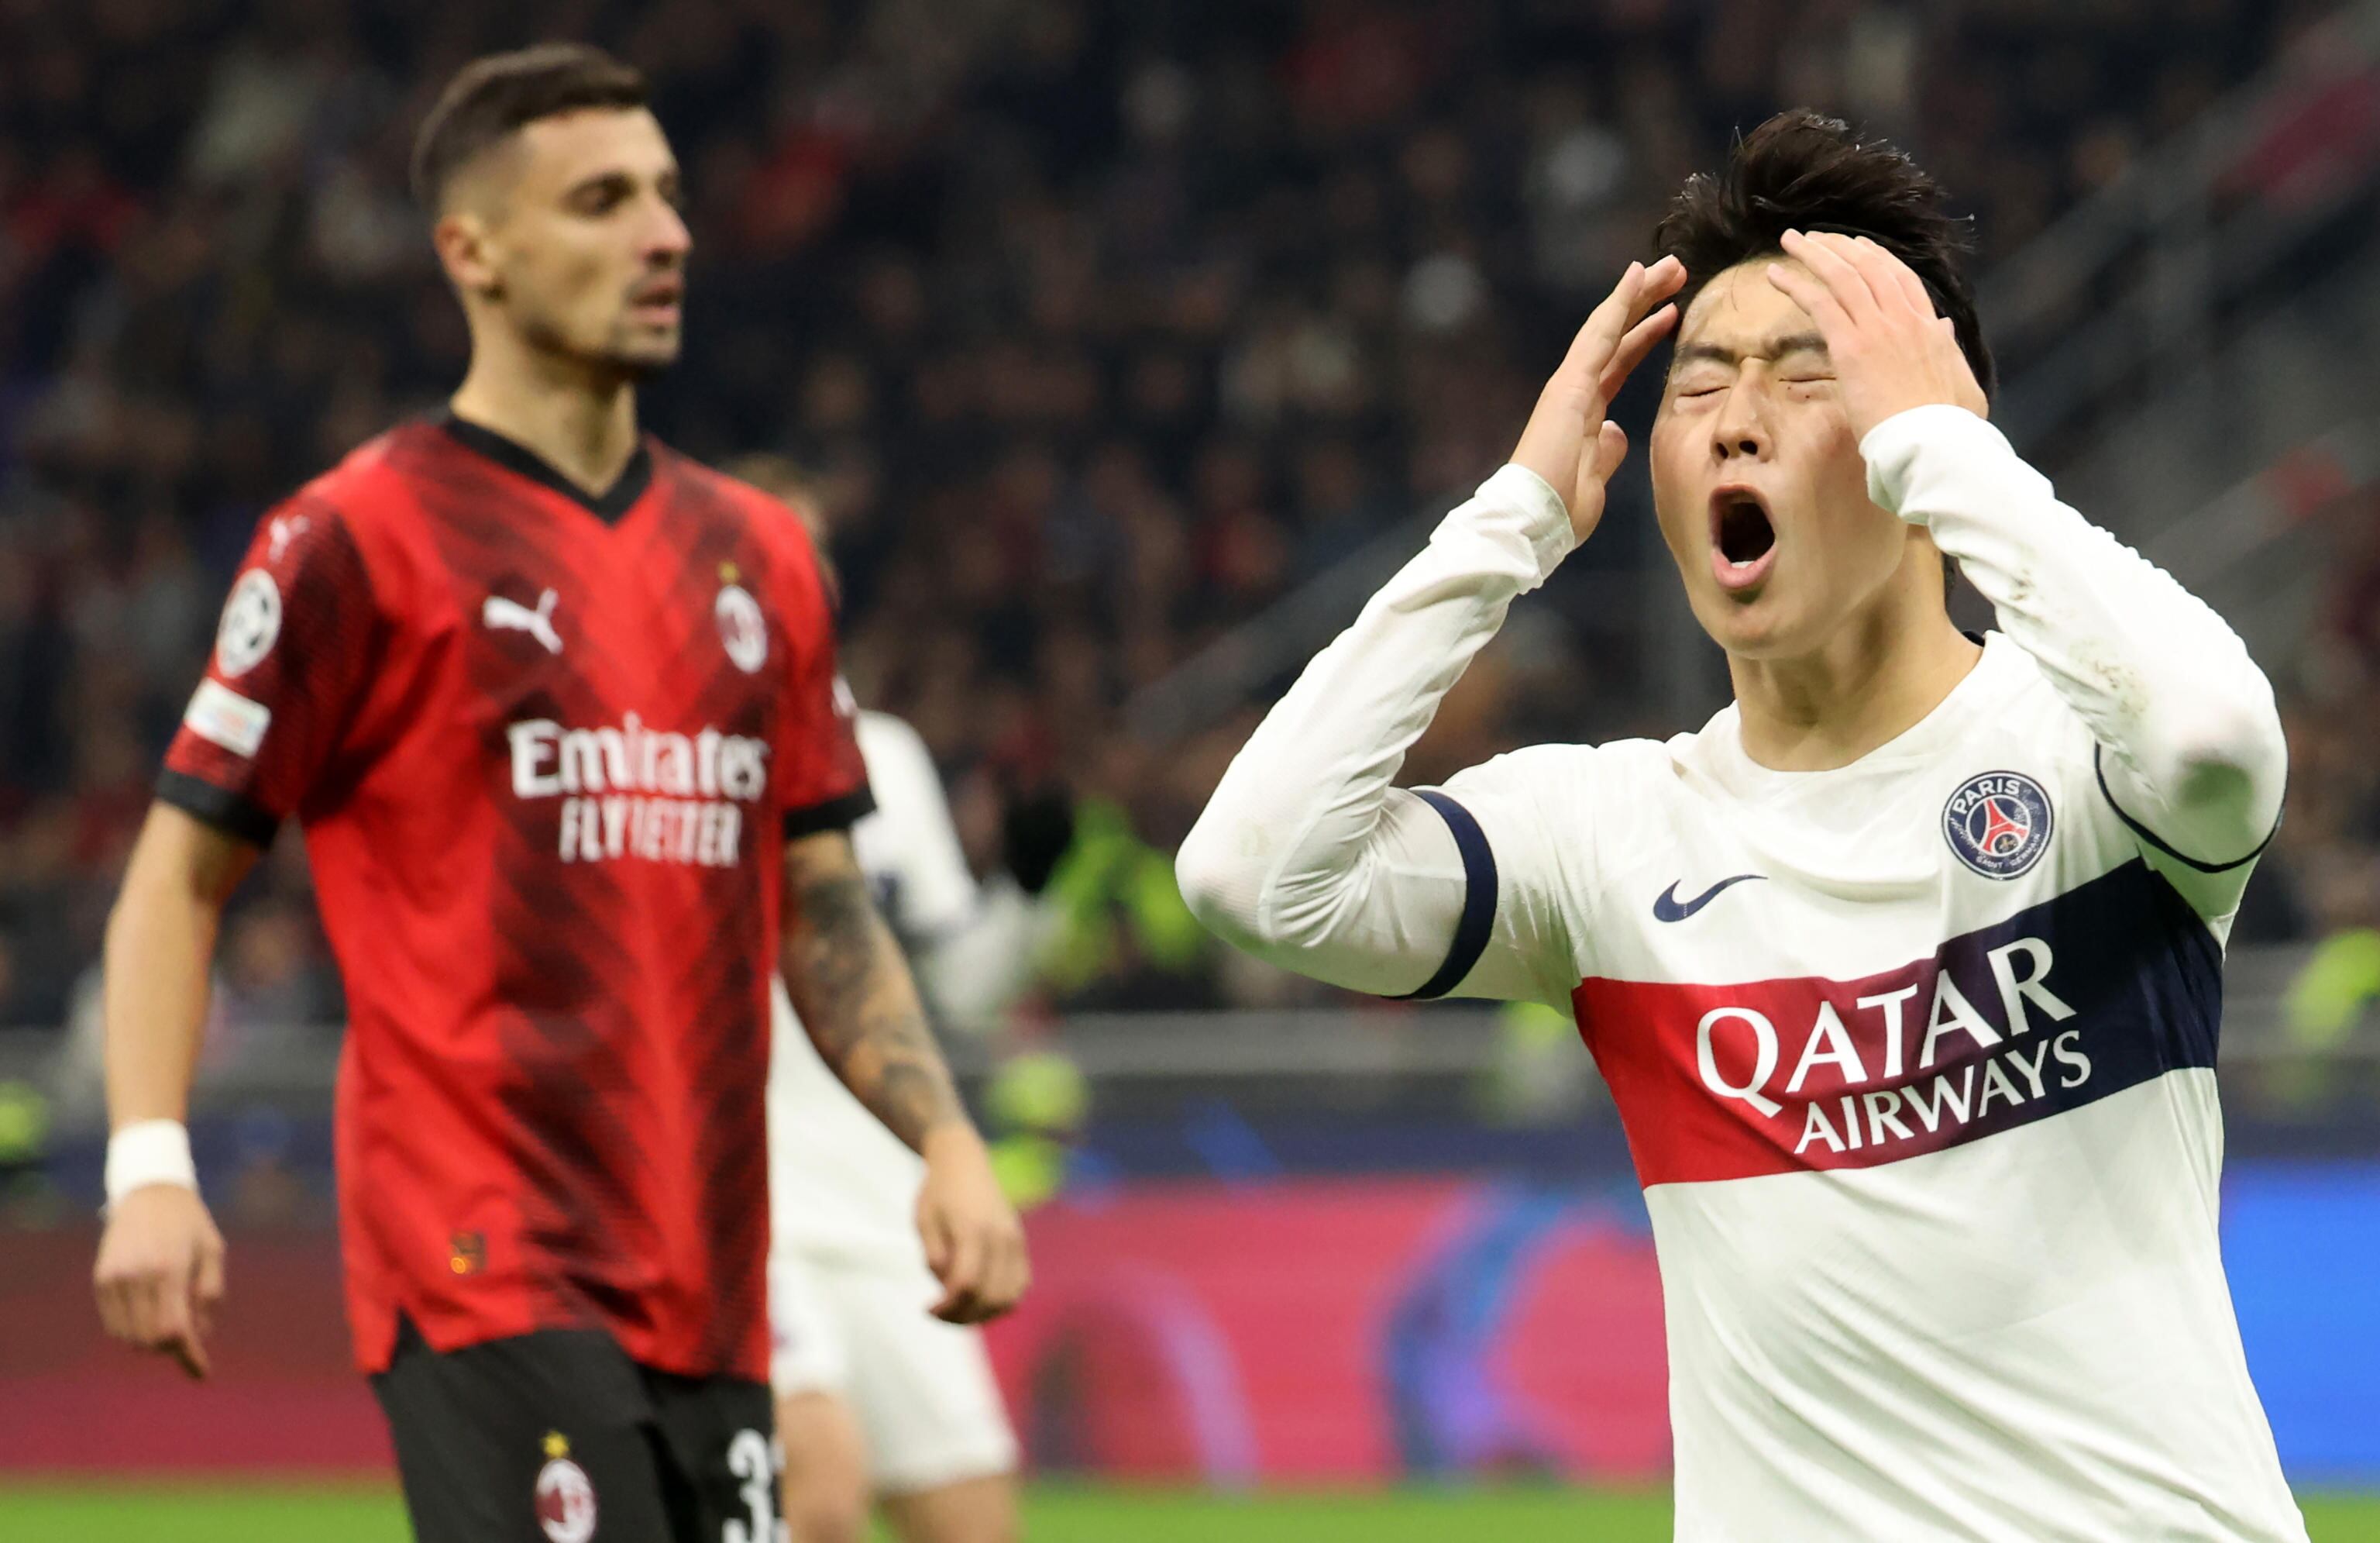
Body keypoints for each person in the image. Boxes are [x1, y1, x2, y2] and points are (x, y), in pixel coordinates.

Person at [1175, 110, 2305, 1541]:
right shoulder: (1607, 838)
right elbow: (1251, 874)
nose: (1735, 418)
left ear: (1913, 441)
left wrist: (1956, 457)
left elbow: (2216, 739)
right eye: (1698, 385)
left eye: (1803, 375)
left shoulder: (2089, 765)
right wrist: (1509, 520)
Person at [89, 43, 1027, 1543]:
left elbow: (824, 907)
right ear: (473, 250)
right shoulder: (356, 539)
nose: (666, 233)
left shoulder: (762, 562)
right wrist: (149, 1167)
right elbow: (176, 874)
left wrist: (950, 1144)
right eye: (602, 201)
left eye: (664, 194)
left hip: (715, 1276)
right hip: (484, 1259)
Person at [732, 456, 1027, 1543]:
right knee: (818, 1496)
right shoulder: (668, 747)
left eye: (808, 554)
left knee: (975, 1524)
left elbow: (956, 980)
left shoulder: (888, 760)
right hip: (745, 1205)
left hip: (887, 1198)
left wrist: (1042, 901)